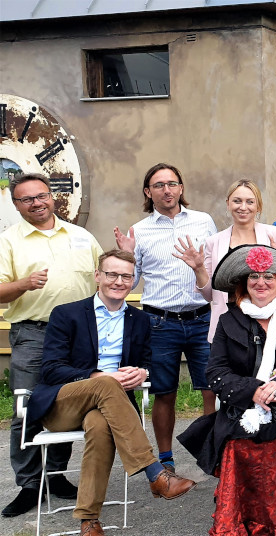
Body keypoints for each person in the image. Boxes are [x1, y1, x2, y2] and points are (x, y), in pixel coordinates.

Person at [26, 249, 197, 536]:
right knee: (106, 383)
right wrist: (99, 376)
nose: (119, 281)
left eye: (126, 276)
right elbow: (52, 369)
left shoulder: (140, 320)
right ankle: (155, 472)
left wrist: (143, 373)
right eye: (112, 274)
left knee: (100, 425)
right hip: (64, 404)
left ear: (134, 280)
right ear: (97, 276)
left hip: (108, 409)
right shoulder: (67, 314)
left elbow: (146, 362)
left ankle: (89, 521)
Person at [177, 245, 276, 536]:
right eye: (253, 277)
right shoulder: (229, 320)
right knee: (237, 449)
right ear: (244, 283)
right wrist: (254, 391)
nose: (260, 283)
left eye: (268, 277)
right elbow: (215, 372)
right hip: (244, 410)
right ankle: (242, 526)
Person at [0, 173, 100, 517]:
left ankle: (56, 477)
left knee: (68, 406)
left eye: (41, 196)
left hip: (79, 337)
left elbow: (103, 278)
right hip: (33, 334)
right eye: (27, 199)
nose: (36, 203)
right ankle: (29, 485)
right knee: (25, 409)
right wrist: (24, 284)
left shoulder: (81, 236)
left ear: (52, 197)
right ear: (17, 205)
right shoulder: (8, 241)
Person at [114, 162, 218, 471]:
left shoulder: (203, 222)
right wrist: (128, 255)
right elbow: (129, 283)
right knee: (164, 392)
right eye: (158, 185)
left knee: (211, 388)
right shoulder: (139, 231)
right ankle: (166, 459)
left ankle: (211, 454)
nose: (167, 189)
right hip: (159, 323)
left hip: (202, 318)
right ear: (149, 192)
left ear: (181, 188)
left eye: (172, 183)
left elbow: (213, 267)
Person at [173, 179, 276, 342]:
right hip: (227, 325)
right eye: (237, 201)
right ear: (228, 204)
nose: (243, 207)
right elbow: (209, 295)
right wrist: (198, 269)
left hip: (267, 323)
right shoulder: (214, 241)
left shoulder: (274, 235)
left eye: (250, 202)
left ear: (258, 206)